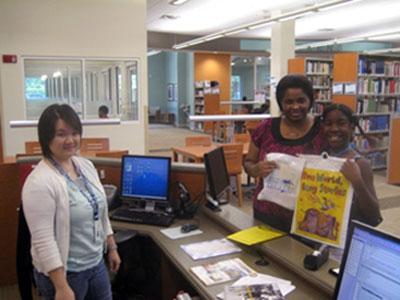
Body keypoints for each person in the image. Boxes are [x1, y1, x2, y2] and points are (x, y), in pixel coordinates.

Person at [22, 104, 120, 300]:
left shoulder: (85, 166)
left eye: (75, 133)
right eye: (61, 134)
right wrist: (61, 286)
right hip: (66, 274)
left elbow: (99, 210)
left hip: (95, 264)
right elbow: (44, 240)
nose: (70, 140)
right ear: (46, 137)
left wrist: (112, 246)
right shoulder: (39, 181)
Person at [244, 74, 325, 232]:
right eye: (289, 101)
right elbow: (248, 162)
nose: (295, 107)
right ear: (281, 103)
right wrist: (255, 169)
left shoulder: (322, 130)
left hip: (307, 218)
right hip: (267, 213)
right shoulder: (265, 128)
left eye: (301, 100)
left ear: (310, 100)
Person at [322, 103, 382, 227]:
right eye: (328, 124)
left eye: (341, 123)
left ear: (352, 128)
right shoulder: (320, 158)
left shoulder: (360, 164)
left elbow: (375, 217)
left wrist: (357, 181)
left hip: (347, 236)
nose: (334, 128)